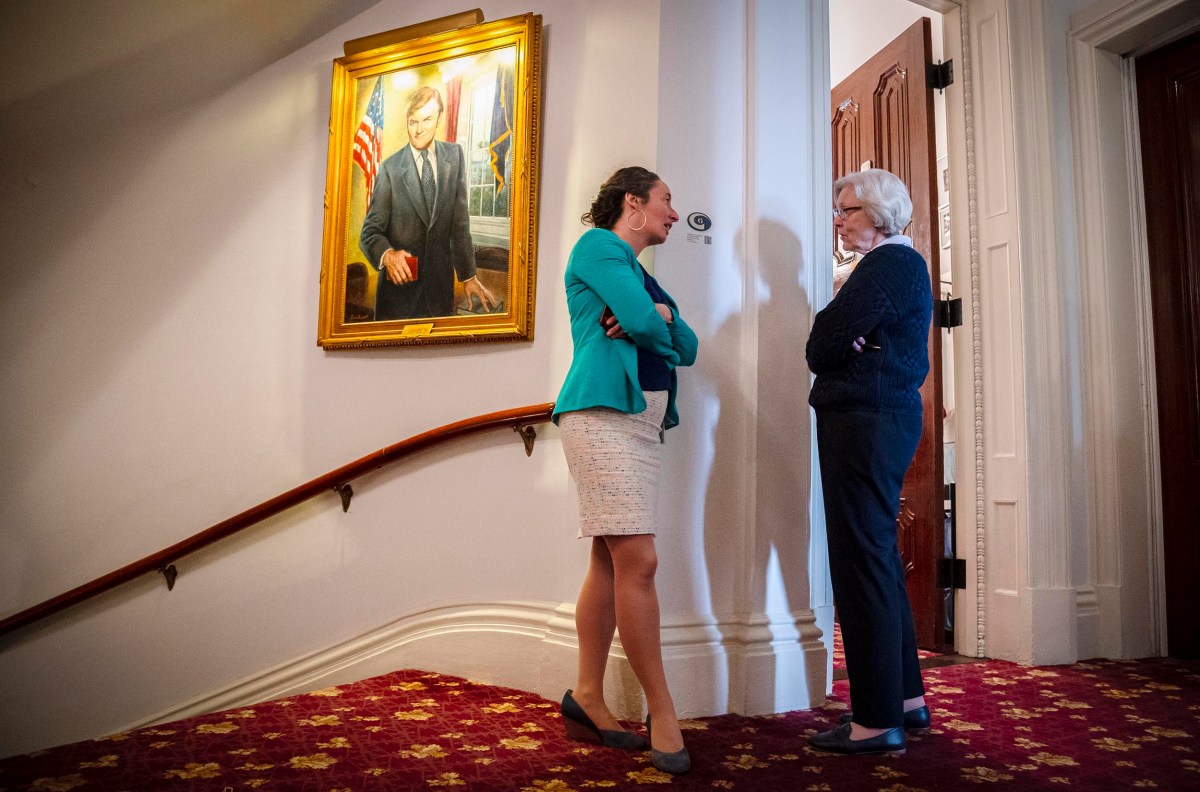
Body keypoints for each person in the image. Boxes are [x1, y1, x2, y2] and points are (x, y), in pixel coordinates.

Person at [553, 166, 699, 775]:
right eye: (667, 200)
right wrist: (652, 322)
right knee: (640, 559)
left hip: (637, 424)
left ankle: (587, 694)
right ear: (633, 203)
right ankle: (661, 710)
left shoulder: (637, 274)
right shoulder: (598, 247)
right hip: (602, 417)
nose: (673, 211)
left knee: (611, 560)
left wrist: (655, 320)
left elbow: (687, 345)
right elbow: (647, 326)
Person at [805, 168, 933, 756]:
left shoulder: (885, 265)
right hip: (881, 418)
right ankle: (904, 700)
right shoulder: (901, 266)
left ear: (878, 216)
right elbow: (837, 340)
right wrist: (847, 337)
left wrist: (843, 337)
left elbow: (821, 343)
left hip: (865, 420)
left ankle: (877, 720)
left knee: (861, 562)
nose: (839, 219)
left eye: (847, 209)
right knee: (876, 556)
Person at [360, 86, 496, 320]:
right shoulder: (390, 169)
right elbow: (369, 233)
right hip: (397, 301)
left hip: (440, 296)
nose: (419, 129)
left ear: (439, 118)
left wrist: (468, 276)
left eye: (427, 119)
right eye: (413, 122)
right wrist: (388, 254)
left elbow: (459, 225)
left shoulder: (454, 156)